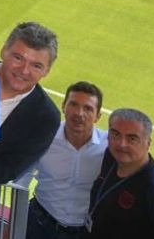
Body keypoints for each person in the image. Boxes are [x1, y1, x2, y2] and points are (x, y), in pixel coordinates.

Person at [0, 21, 63, 237]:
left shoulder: (45, 117)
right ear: (4, 50)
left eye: (36, 65)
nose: (24, 71)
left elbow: (3, 172)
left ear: (47, 70)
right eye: (18, 58)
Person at [87, 109, 154, 238]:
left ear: (148, 143)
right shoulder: (111, 157)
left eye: (132, 138)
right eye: (115, 134)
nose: (122, 144)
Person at [29, 82, 108, 238]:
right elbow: (22, 180)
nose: (79, 113)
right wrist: (13, 224)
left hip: (83, 232)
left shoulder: (109, 147)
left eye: (88, 108)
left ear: (98, 116)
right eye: (73, 104)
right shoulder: (44, 136)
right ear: (63, 106)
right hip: (38, 223)